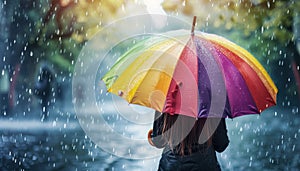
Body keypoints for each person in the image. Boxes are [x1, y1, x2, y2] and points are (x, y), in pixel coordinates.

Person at [148, 111, 229, 171]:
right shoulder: (212, 99)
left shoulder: (168, 96)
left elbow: (159, 141)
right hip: (205, 166)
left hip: (171, 166)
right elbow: (221, 145)